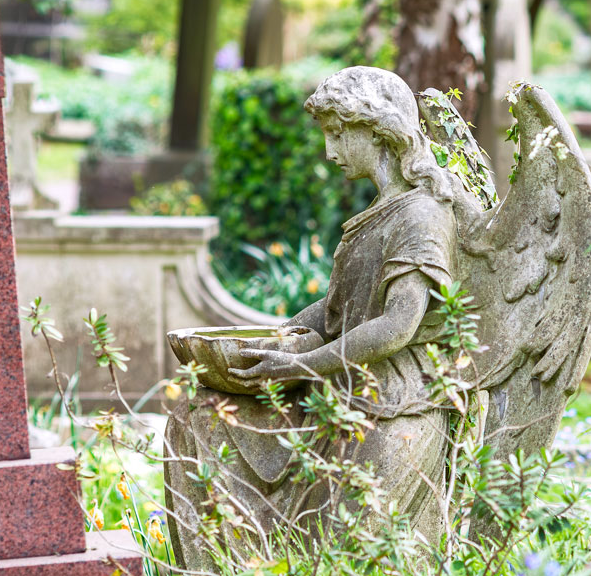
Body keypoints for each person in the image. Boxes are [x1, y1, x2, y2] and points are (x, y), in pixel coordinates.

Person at [164, 67, 462, 567]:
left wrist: (299, 366)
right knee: (199, 417)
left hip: (392, 406)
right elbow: (333, 310)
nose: (329, 150)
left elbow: (398, 324)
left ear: (378, 128)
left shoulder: (421, 214)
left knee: (341, 551)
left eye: (338, 133)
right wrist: (278, 338)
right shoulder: (380, 211)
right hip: (342, 388)